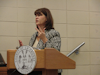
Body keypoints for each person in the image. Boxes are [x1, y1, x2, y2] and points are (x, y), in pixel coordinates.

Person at [19, 8, 61, 75]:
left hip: (49, 71)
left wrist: (44, 39)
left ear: (47, 18)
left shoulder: (54, 33)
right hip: (34, 70)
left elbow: (56, 53)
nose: (36, 17)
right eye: (36, 15)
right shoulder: (34, 36)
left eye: (39, 15)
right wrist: (24, 50)